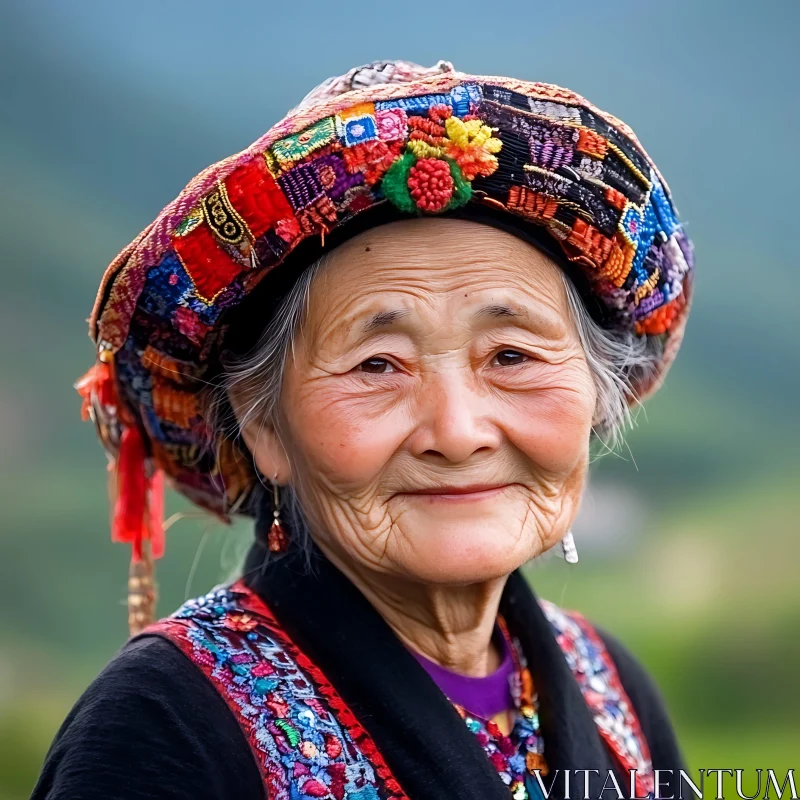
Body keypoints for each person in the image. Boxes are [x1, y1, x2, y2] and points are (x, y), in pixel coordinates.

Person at [32, 59, 693, 800]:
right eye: (379, 365)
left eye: (510, 355)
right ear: (263, 426)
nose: (457, 430)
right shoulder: (164, 728)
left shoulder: (614, 691)